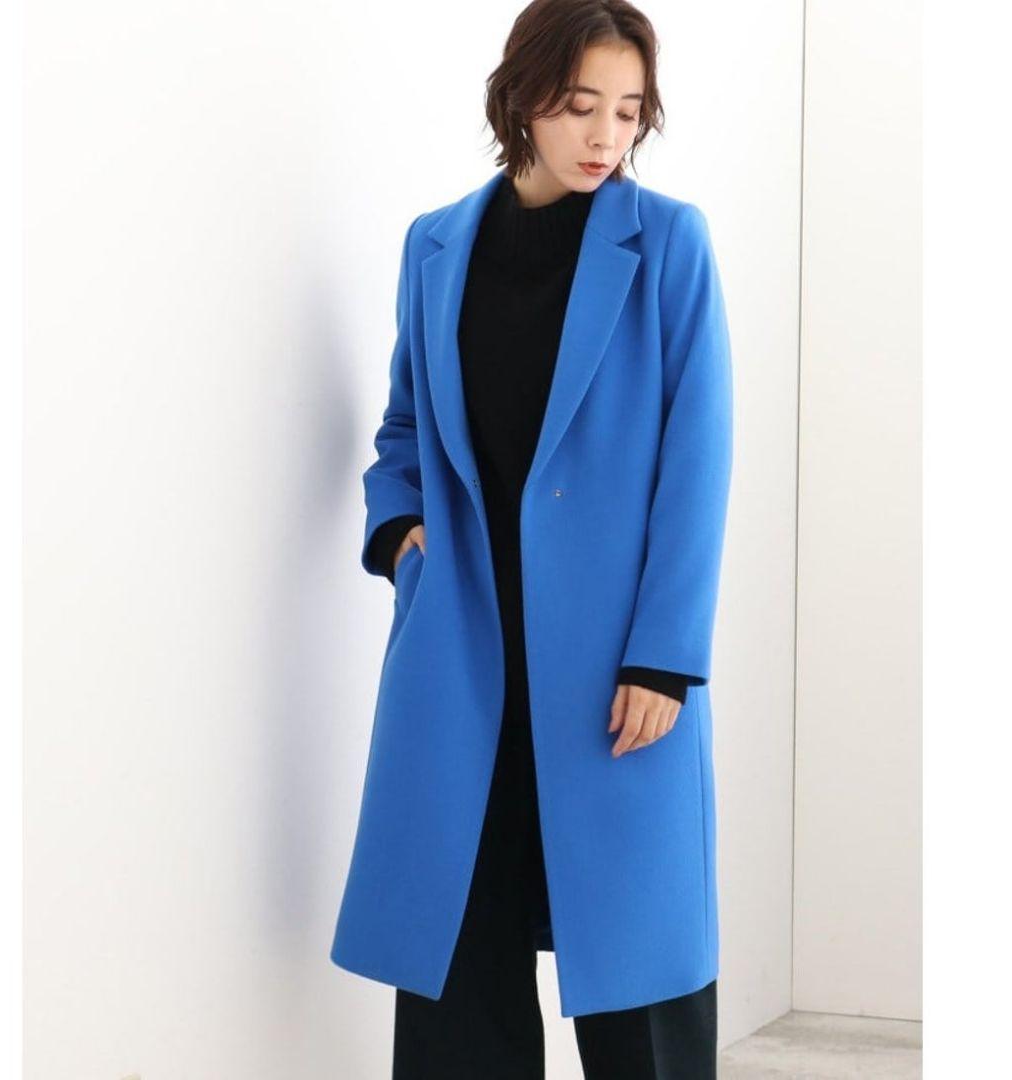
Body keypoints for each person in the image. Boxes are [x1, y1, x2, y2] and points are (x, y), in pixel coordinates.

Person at [331, 2, 733, 1076]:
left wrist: (664, 657)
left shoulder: (669, 244)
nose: (605, 136)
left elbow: (698, 462)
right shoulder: (436, 245)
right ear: (522, 98)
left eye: (628, 111)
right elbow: (405, 426)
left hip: (614, 669)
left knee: (639, 973)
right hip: (462, 656)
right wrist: (402, 535)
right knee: (459, 955)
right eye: (579, 105)